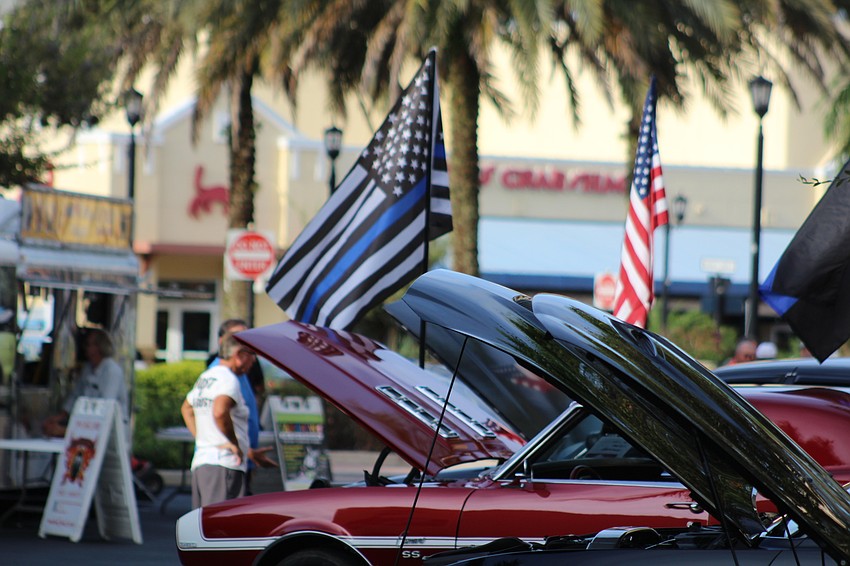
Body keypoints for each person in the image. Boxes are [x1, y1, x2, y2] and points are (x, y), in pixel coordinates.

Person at [181, 332, 273, 508]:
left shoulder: (207, 377)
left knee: (204, 526)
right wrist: (234, 444)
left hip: (203, 462)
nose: (254, 361)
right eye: (252, 355)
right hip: (224, 465)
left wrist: (203, 440)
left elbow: (186, 408)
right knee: (220, 528)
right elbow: (220, 411)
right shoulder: (228, 379)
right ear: (239, 355)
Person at [207, 318, 275, 494]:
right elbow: (218, 413)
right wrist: (238, 446)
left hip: (241, 460)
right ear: (224, 342)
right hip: (226, 461)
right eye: (239, 338)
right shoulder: (222, 373)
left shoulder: (240, 372)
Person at [43, 328, 129, 438]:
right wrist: (60, 417)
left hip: (111, 430)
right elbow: (76, 395)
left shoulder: (112, 371)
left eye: (88, 345)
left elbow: (105, 406)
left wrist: (66, 430)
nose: (85, 348)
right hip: (89, 425)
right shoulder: (88, 368)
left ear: (99, 347)